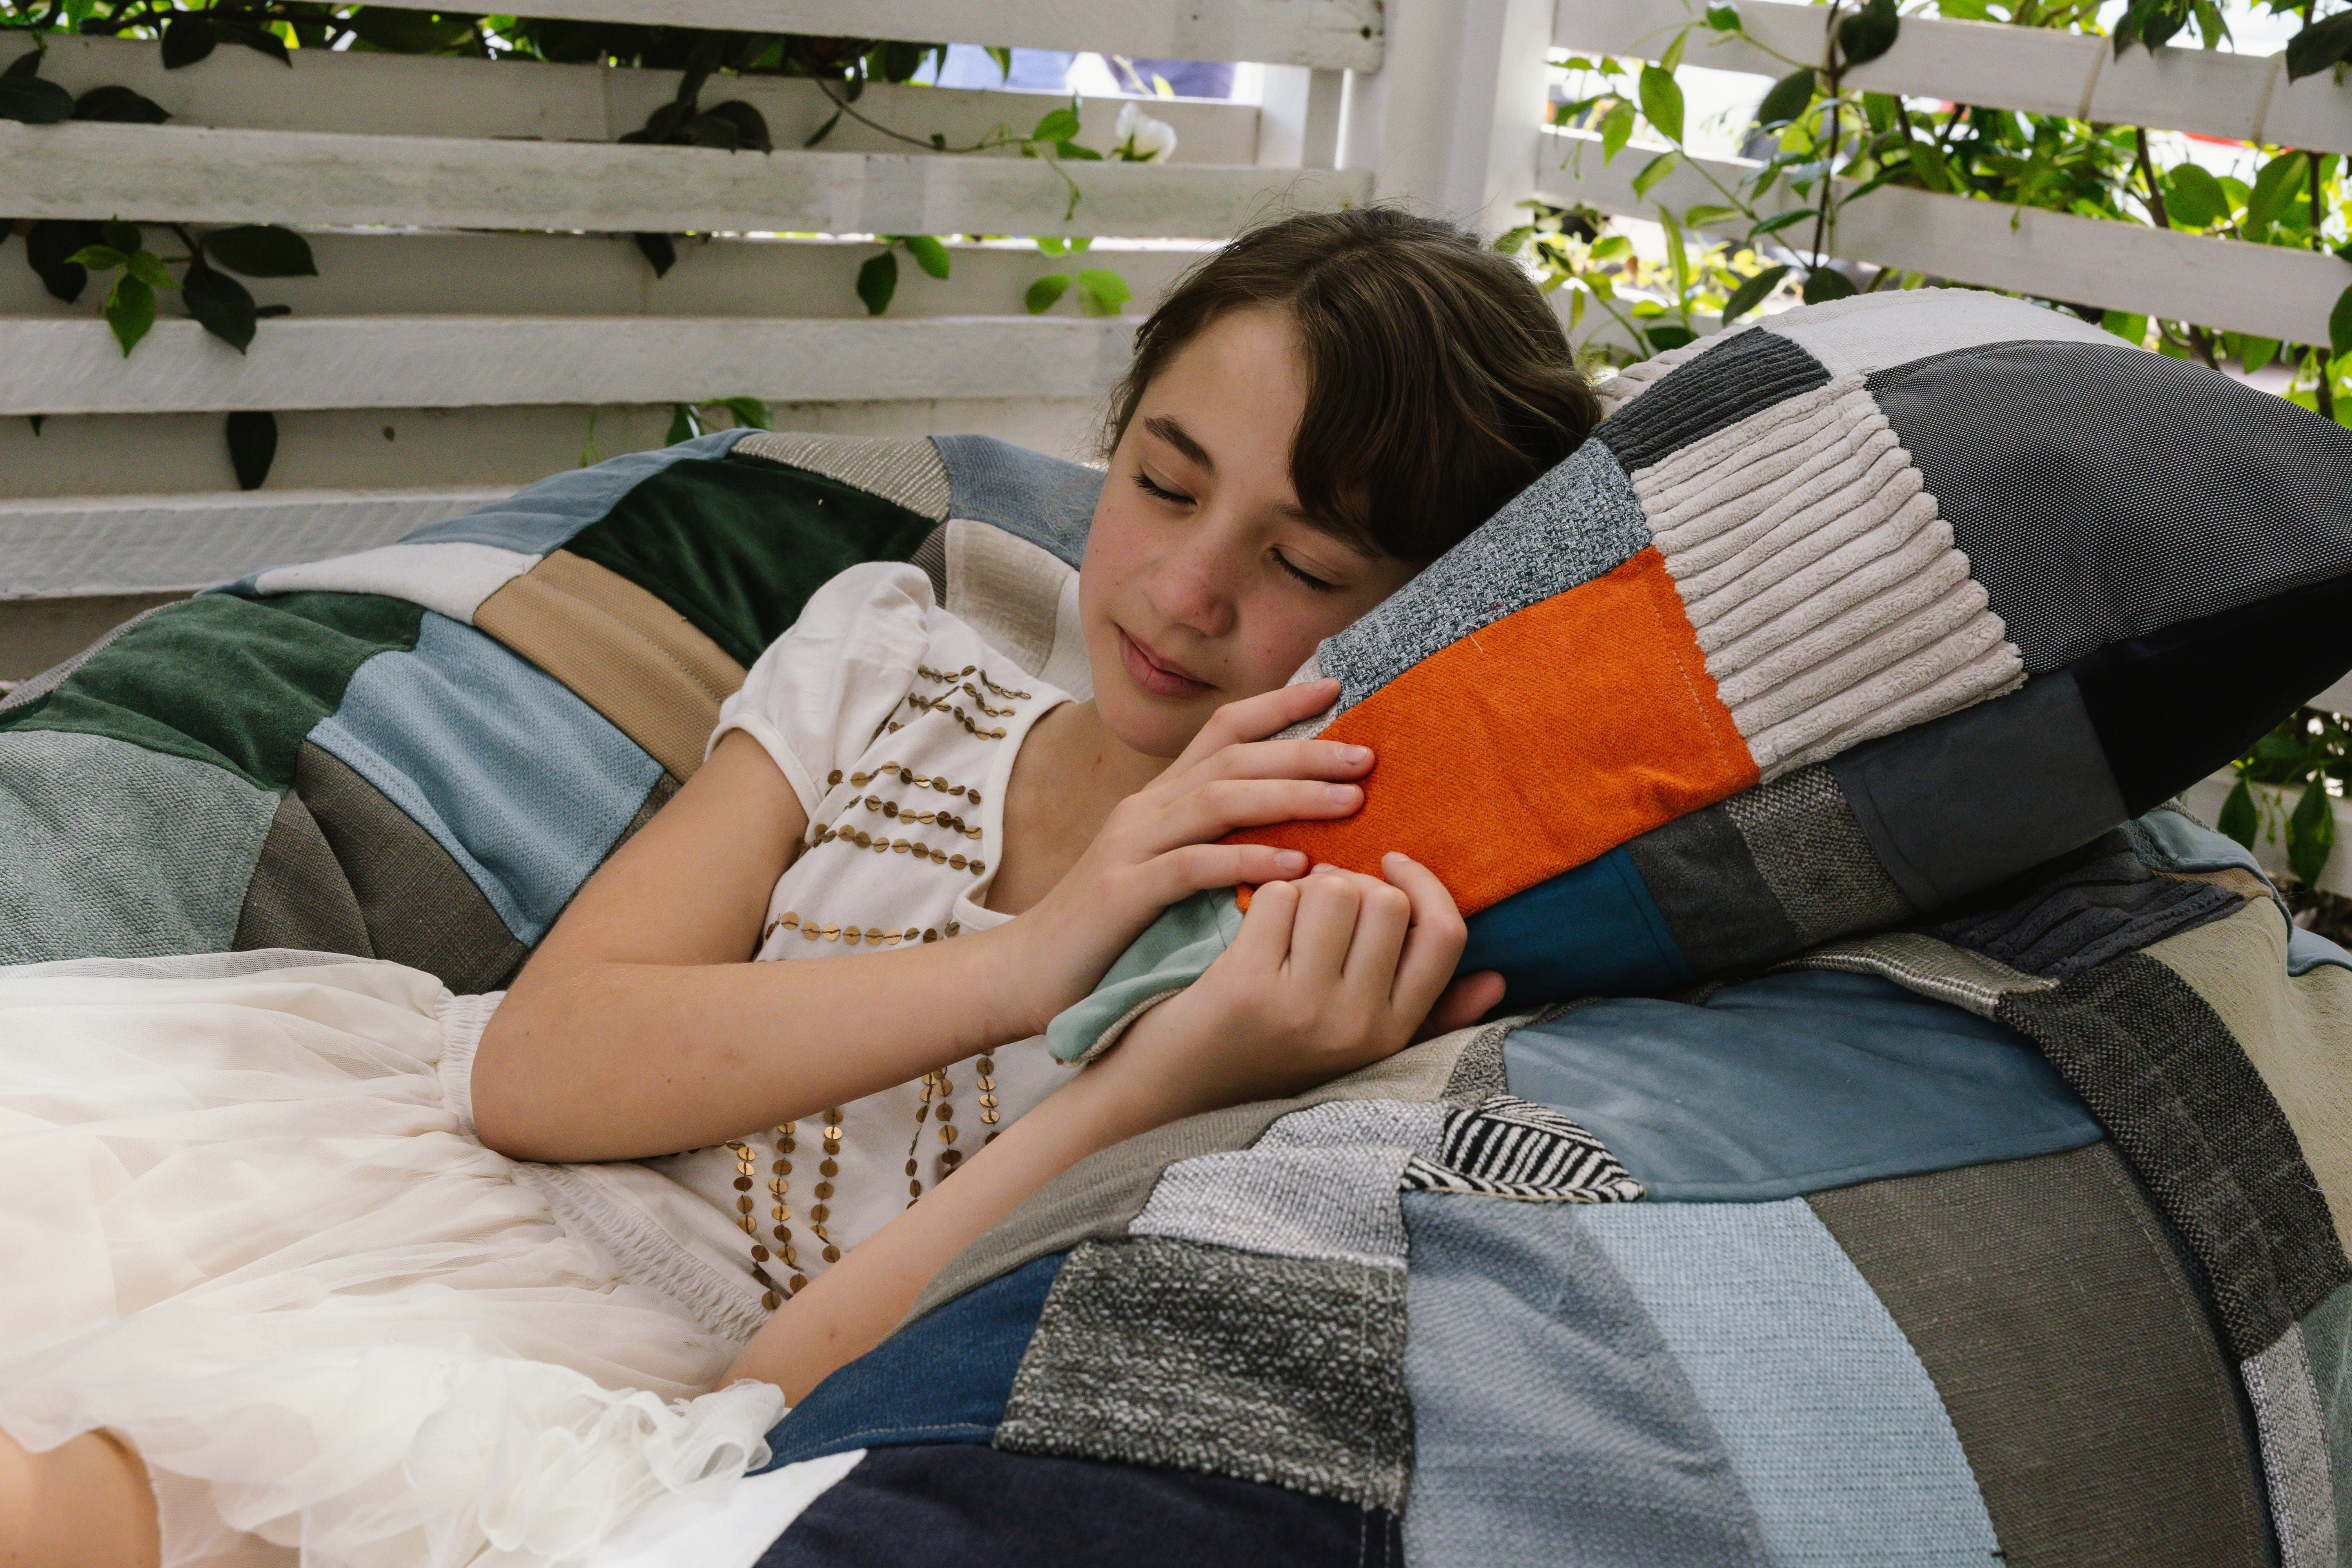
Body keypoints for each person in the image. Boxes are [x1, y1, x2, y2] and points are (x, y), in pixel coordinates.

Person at [0, 207, 1601, 1568]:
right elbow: (531, 1075)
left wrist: (1152, 1082)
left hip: (599, 1382)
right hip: (372, 1159)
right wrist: (1032, 963)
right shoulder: (890, 667)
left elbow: (782, 1370)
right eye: (1165, 485)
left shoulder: (1274, 956)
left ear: (1428, 620)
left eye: (1306, 566)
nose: (1186, 589)